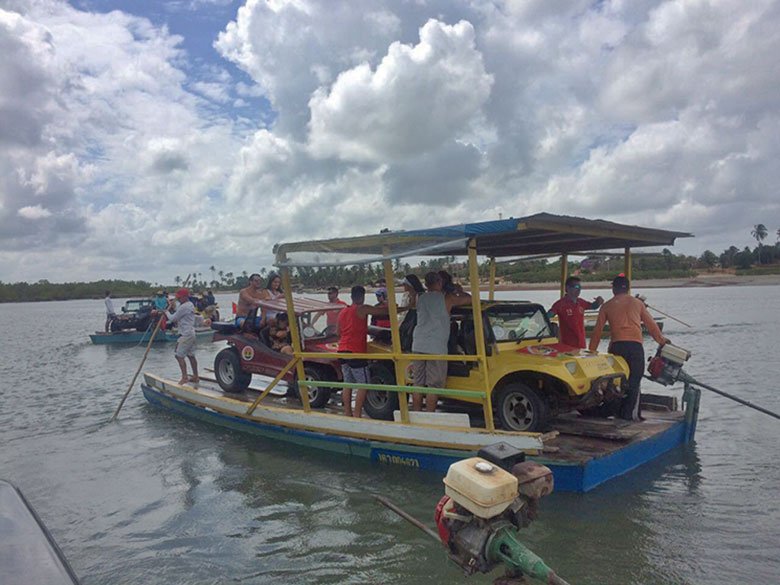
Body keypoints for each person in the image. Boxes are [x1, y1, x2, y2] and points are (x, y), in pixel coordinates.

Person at [588, 275, 670, 421]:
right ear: (628, 288)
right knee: (634, 381)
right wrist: (662, 341)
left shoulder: (607, 305)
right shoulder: (638, 304)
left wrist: (591, 352)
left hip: (617, 347)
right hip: (635, 346)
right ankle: (627, 415)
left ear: (614, 288)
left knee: (617, 382)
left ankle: (615, 410)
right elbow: (651, 325)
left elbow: (597, 331)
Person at [411, 272, 471, 412]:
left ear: (426, 284)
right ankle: (430, 416)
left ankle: (416, 415)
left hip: (418, 343)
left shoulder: (421, 298)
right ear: (440, 282)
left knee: (418, 384)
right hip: (435, 346)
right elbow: (469, 299)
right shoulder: (447, 298)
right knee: (433, 386)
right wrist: (459, 290)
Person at [336, 285, 392, 418]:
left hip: (342, 349)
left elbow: (338, 332)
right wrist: (405, 307)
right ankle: (357, 414)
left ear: (351, 296)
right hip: (355, 351)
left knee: (347, 383)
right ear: (363, 296)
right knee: (364, 384)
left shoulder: (343, 311)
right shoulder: (362, 308)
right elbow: (383, 312)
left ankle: (347, 412)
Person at [165, 288, 210, 385]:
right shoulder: (189, 305)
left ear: (185, 297)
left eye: (180, 297)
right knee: (191, 355)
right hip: (190, 333)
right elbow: (180, 311)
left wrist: (166, 312)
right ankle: (195, 376)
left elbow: (173, 318)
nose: (179, 299)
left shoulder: (184, 306)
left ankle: (184, 377)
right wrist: (171, 305)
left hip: (186, 335)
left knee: (179, 356)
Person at [548, 276, 604, 348]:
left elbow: (593, 306)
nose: (579, 290)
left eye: (580, 287)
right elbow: (548, 316)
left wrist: (598, 301)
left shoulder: (581, 302)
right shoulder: (560, 304)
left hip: (581, 344)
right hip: (567, 345)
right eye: (576, 287)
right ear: (567, 288)